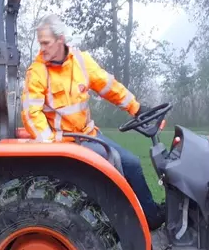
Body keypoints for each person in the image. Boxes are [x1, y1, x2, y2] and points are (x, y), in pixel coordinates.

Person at [20, 14, 165, 231]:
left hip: (89, 134)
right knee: (115, 165)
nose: (42, 49)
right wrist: (49, 144)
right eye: (40, 43)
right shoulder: (38, 72)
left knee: (132, 163)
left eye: (45, 43)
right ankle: (125, 225)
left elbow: (108, 86)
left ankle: (151, 217)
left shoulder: (81, 61)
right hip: (66, 142)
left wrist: (136, 108)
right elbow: (32, 114)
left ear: (60, 39)